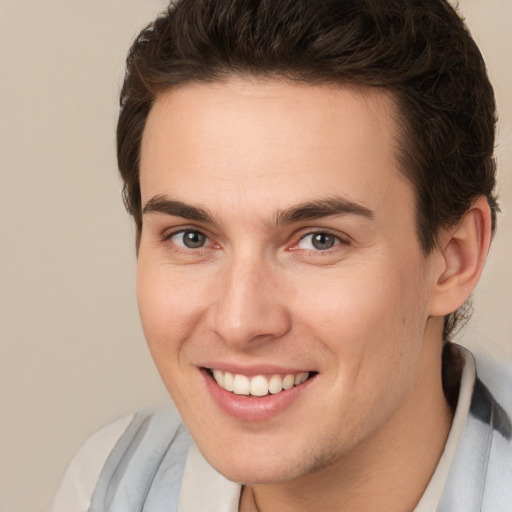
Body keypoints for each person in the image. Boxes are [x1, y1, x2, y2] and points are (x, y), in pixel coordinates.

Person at [50, 0, 512, 510]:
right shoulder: (111, 485)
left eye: (319, 240)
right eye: (192, 237)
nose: (239, 322)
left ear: (454, 258)